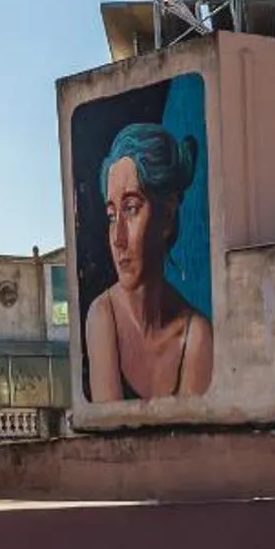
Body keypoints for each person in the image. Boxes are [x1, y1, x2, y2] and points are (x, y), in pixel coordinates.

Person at [84, 120, 213, 401]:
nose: (117, 238)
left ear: (166, 217)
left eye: (131, 209)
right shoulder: (102, 317)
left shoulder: (197, 335)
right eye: (111, 215)